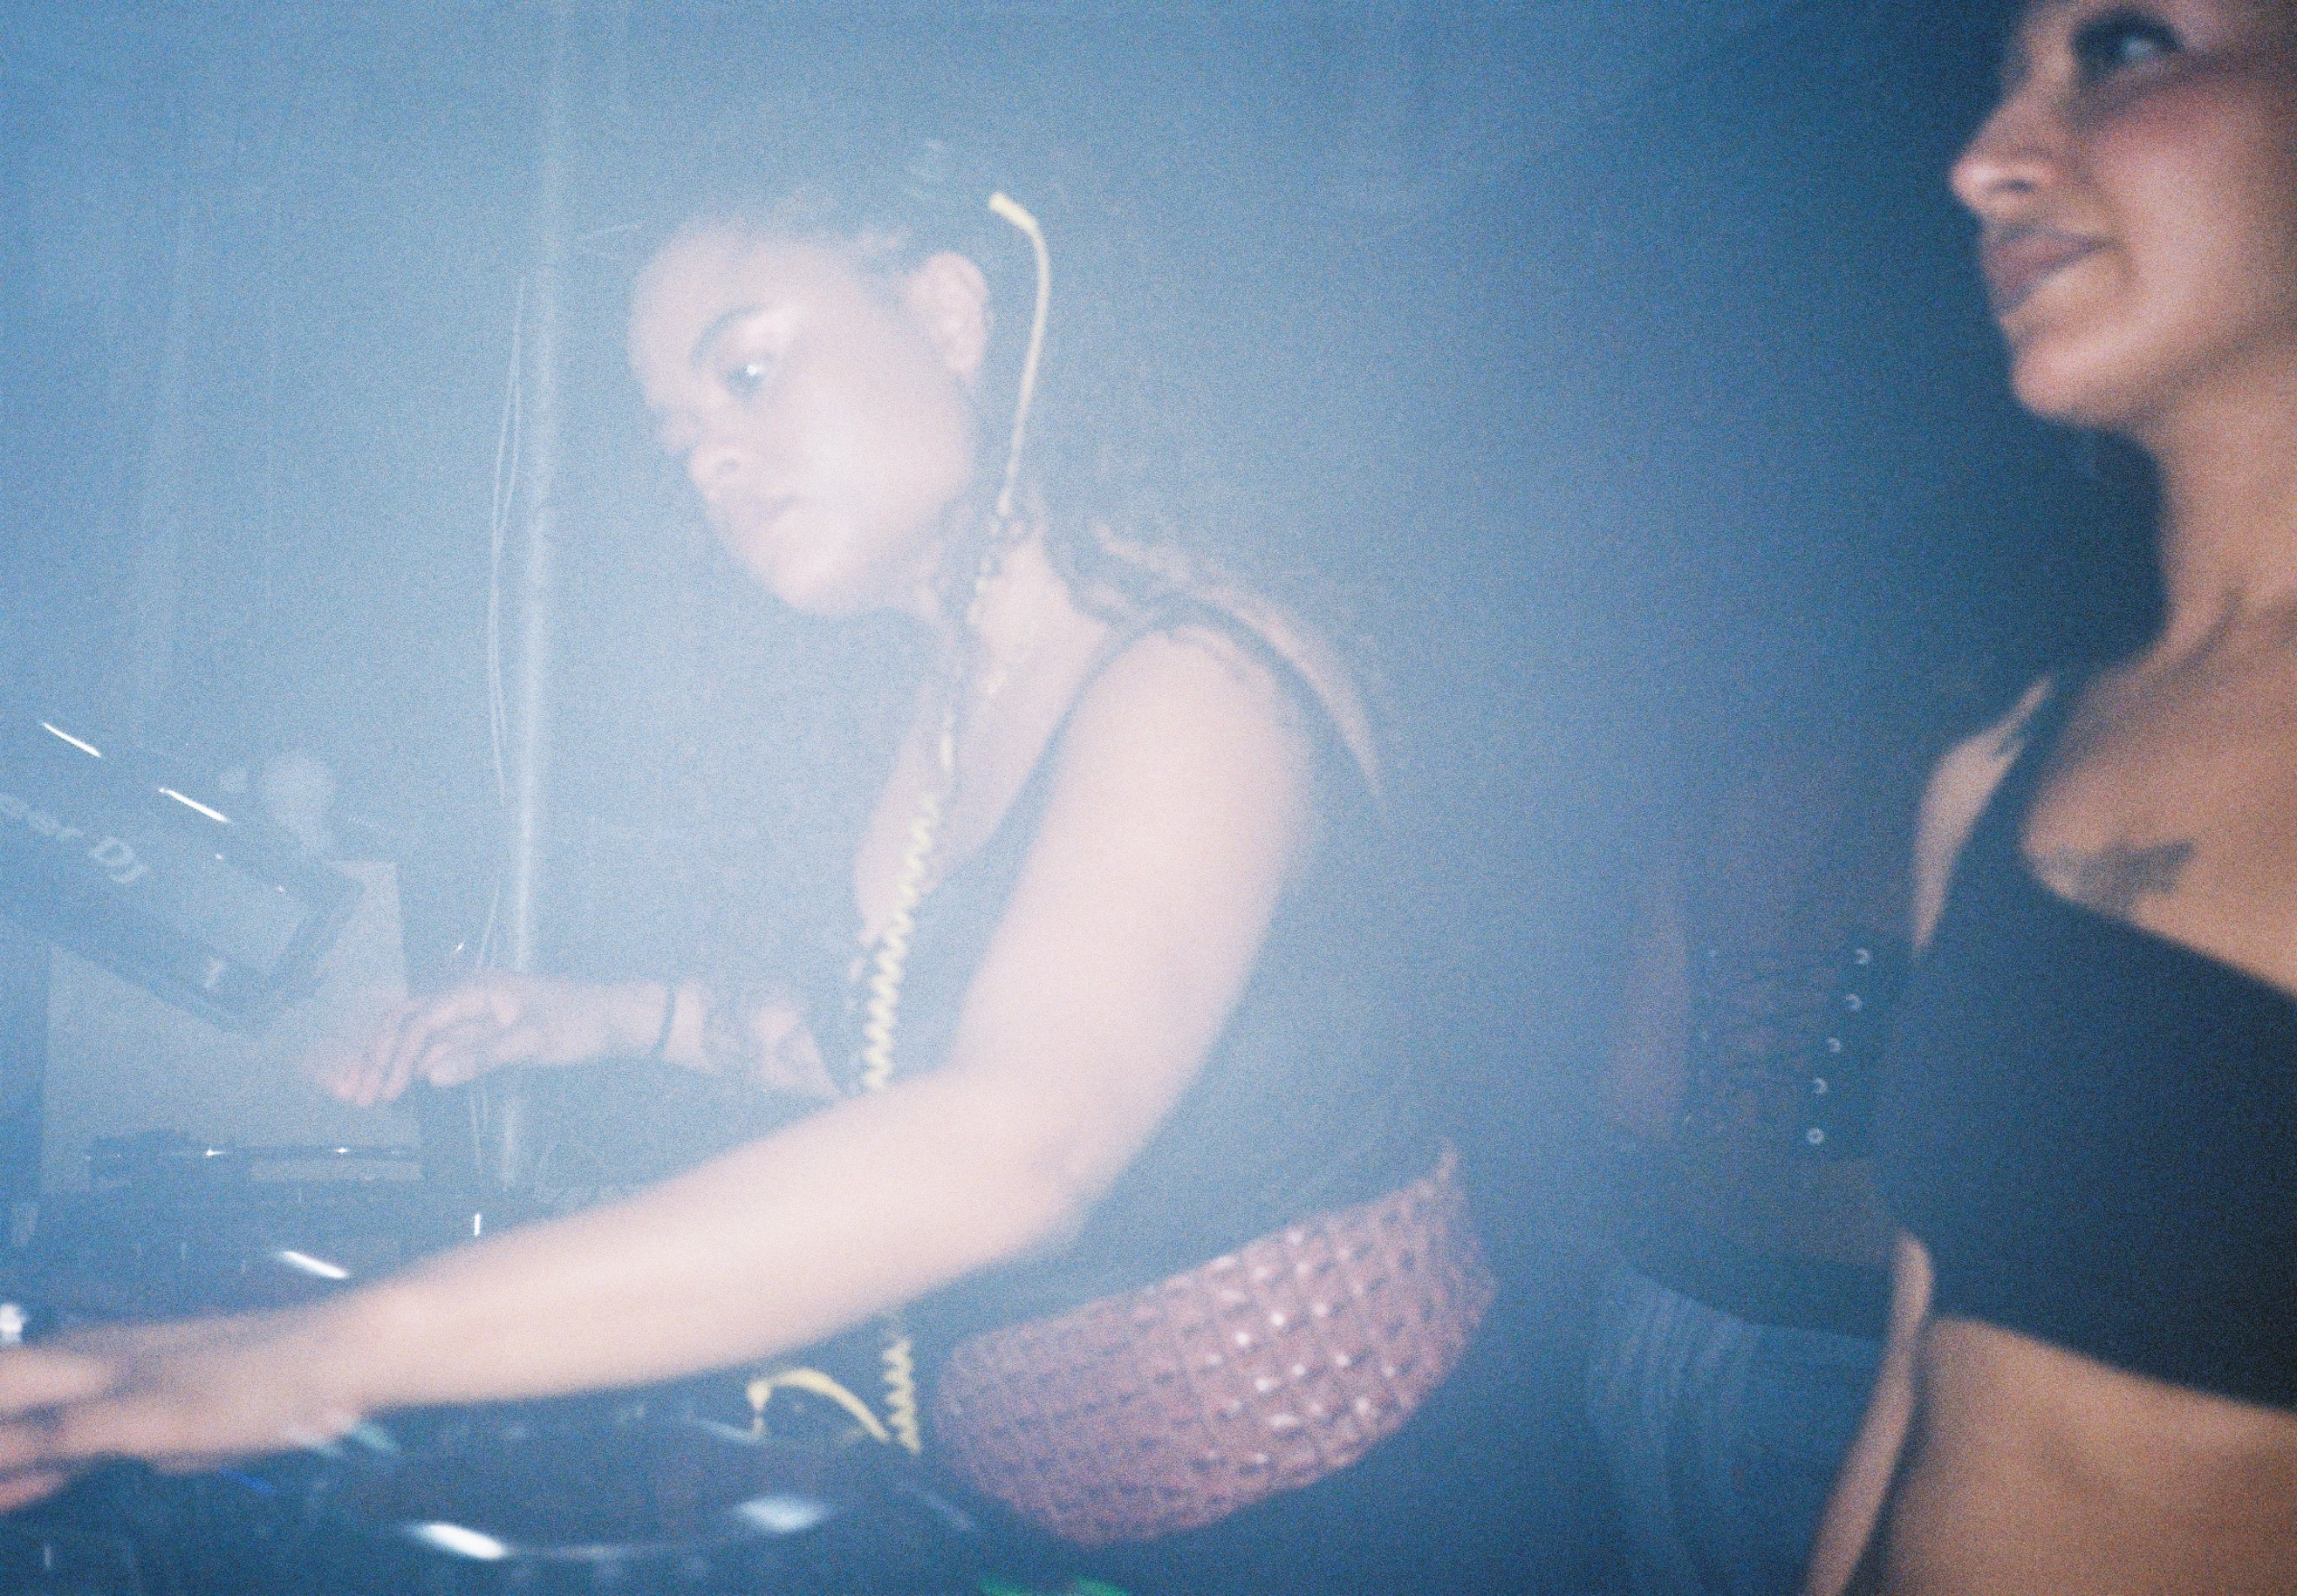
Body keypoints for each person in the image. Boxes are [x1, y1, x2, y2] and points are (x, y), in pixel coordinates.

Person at [0, 152, 1490, 1592]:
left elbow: (1015, 1142)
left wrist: (325, 1357)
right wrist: (601, 1015)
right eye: (674, 429)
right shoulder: (942, 696)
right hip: (1063, 1526)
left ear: (953, 315)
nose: (708, 450)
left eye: (749, 371)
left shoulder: (1195, 676)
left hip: (1355, 1531)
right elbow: (896, 1037)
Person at [1804, 3, 2297, 1591]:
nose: (1977, 167)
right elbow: (1909, 1386)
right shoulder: (1996, 766)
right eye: (1999, 84)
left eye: (2126, 50)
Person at [1588, 707, 1927, 1596]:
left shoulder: (1722, 787)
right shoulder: (1993, 801)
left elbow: (1633, 1091)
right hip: (1835, 1343)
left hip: (1649, 1320)